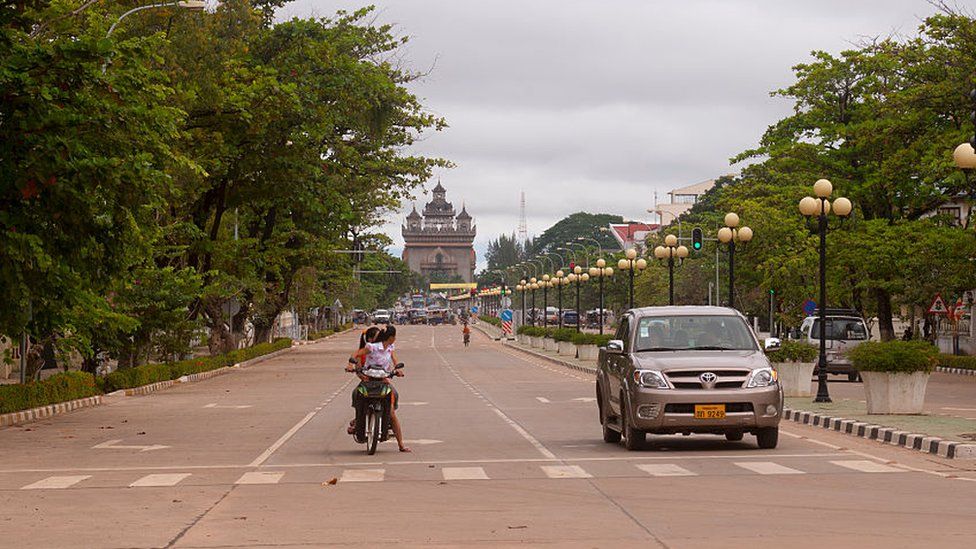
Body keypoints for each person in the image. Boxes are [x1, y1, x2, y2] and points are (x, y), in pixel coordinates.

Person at [346, 326, 410, 452]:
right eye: (394, 336)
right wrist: (350, 364)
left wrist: (397, 369)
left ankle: (401, 444)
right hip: (369, 381)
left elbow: (395, 361)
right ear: (391, 337)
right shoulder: (371, 347)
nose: (395, 339)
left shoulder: (390, 348)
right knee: (357, 395)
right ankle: (358, 421)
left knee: (392, 413)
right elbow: (356, 354)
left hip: (383, 381)